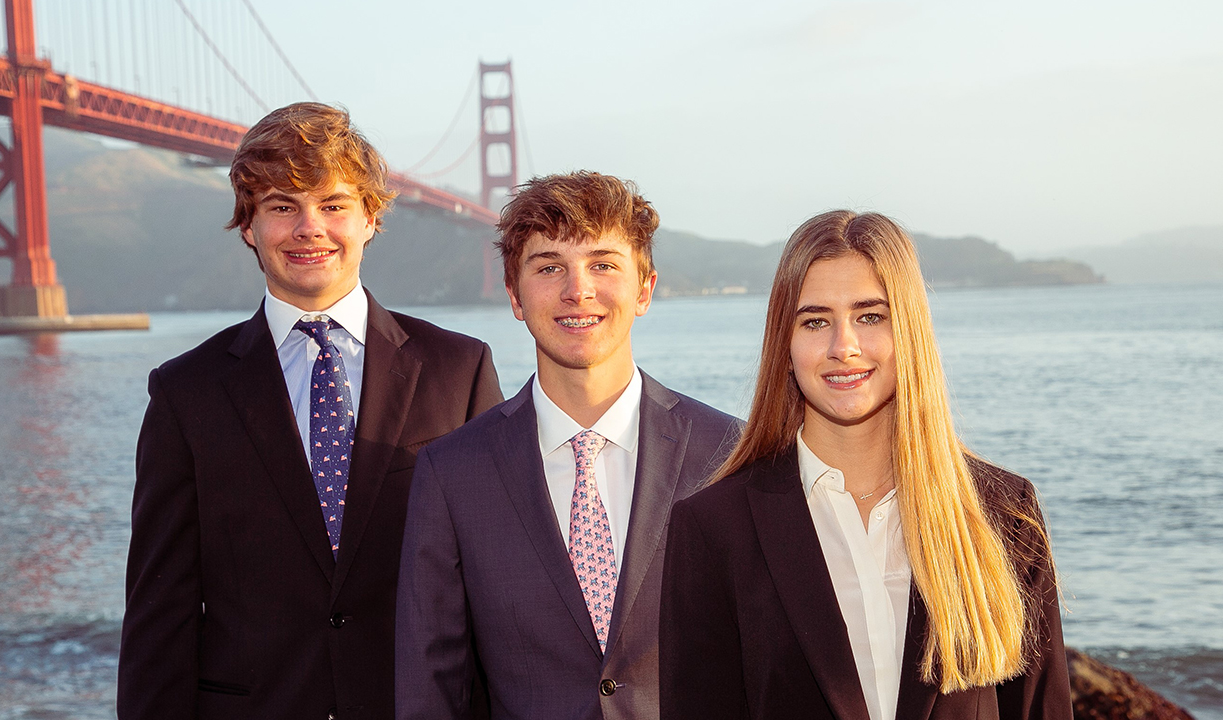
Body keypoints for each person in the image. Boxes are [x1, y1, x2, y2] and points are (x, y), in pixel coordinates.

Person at [117, 102, 503, 720]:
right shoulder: (184, 392)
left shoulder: (459, 371)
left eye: (333, 204)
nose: (309, 227)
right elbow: (159, 615)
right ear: (248, 226)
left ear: (371, 218)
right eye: (281, 206)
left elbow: (498, 586)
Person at [658, 210, 1070, 720]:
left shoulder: (1004, 515)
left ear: (910, 332)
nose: (843, 347)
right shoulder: (713, 529)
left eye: (870, 316)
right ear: (783, 346)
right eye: (815, 321)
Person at [394, 171, 738, 719]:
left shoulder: (727, 452)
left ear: (645, 289)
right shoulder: (452, 472)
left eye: (603, 264)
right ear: (514, 295)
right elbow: (431, 686)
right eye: (549, 266)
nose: (578, 289)